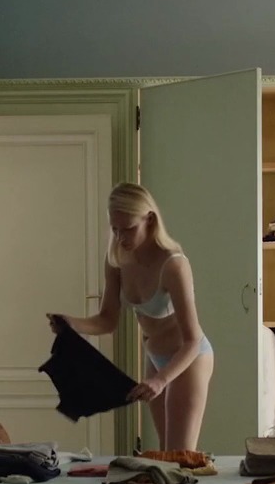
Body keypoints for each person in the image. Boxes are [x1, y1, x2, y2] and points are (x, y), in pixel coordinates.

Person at [47, 182, 214, 452]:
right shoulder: (117, 259)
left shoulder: (173, 265)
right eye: (115, 229)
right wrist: (70, 323)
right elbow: (107, 320)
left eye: (128, 229)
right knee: (165, 454)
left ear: (149, 220)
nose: (121, 237)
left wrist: (161, 380)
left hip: (188, 359)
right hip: (155, 356)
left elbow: (192, 340)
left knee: (179, 457)